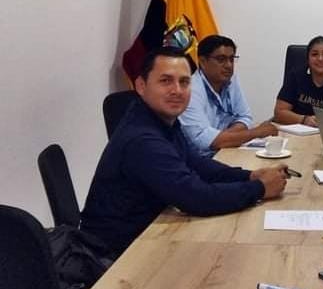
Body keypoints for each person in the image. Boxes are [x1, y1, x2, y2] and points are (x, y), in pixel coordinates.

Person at [81, 47, 288, 259]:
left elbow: (195, 163)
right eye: (165, 81)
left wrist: (249, 176)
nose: (177, 90)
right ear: (141, 86)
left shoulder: (161, 120)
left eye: (184, 82)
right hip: (114, 257)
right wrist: (260, 188)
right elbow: (195, 197)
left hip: (149, 235)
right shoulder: (143, 139)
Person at [178, 35, 277, 158]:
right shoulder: (191, 90)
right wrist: (256, 133)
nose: (229, 65)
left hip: (227, 149)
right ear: (203, 62)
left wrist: (224, 138)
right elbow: (203, 140)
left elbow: (245, 117)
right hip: (201, 160)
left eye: (231, 59)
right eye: (221, 59)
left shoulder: (231, 80)